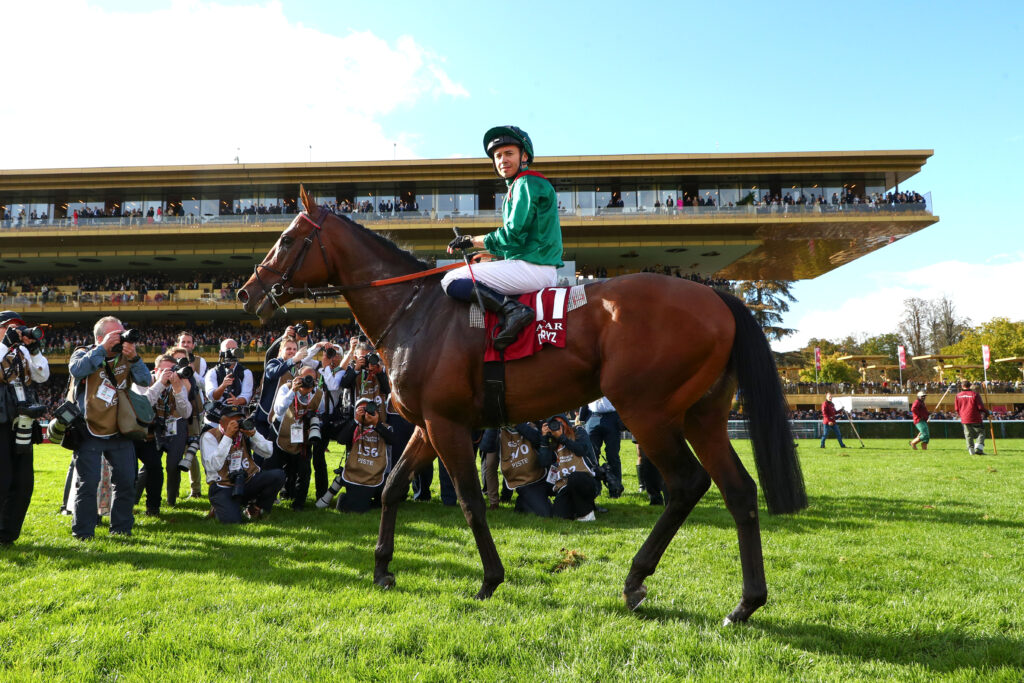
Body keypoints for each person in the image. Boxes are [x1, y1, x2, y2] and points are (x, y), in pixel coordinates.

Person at [442, 125, 563, 351]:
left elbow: (512, 235)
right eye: (498, 156)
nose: (502, 160)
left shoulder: (526, 182)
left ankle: (513, 310)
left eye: (509, 153)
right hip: (534, 266)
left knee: (449, 280)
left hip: (533, 269)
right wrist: (486, 253)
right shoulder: (521, 185)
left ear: (524, 156)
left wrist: (471, 240)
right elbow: (519, 241)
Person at [67, 316, 152, 540]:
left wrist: (135, 359)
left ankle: (121, 530)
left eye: (122, 333)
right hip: (89, 429)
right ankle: (83, 533)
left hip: (119, 429)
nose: (122, 338)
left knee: (126, 482)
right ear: (100, 337)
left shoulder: (127, 357)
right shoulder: (83, 352)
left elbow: (145, 381)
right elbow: (77, 370)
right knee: (88, 483)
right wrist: (101, 350)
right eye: (116, 335)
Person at [0, 311, 50, 546]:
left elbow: (42, 376)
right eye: (8, 327)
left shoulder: (23, 352)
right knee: (2, 478)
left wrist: (35, 350)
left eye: (18, 328)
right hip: (1, 421)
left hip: (22, 418)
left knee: (23, 482)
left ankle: (8, 534)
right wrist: (4, 345)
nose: (15, 332)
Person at [200, 404, 285, 523]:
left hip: (247, 481)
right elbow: (213, 466)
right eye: (232, 420)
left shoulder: (244, 432)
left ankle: (255, 509)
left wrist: (254, 434)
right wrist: (227, 437)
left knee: (278, 476)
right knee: (232, 521)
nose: (237, 423)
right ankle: (219, 507)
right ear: (222, 422)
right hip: (223, 485)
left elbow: (268, 452)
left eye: (239, 419)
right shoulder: (209, 436)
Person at [133, 353, 192, 513]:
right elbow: (143, 405)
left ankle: (156, 507)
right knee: (134, 471)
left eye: (172, 370)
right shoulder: (143, 382)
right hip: (137, 432)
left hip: (158, 433)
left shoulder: (177, 384)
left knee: (159, 469)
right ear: (156, 370)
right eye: (165, 370)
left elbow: (186, 413)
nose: (169, 374)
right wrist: (160, 384)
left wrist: (178, 390)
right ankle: (129, 502)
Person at [270, 366, 325, 509]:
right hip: (281, 435)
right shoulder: (286, 388)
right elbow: (278, 410)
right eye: (304, 378)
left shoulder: (319, 394)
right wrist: (292, 391)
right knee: (275, 467)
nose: (307, 381)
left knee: (304, 470)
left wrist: (314, 425)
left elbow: (321, 414)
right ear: (297, 377)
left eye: (311, 379)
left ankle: (299, 503)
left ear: (316, 381)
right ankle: (272, 498)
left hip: (303, 438)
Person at [332, 398, 396, 513]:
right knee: (357, 507)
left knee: (384, 501)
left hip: (378, 474)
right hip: (356, 473)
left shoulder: (385, 427)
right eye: (362, 409)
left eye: (369, 409)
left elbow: (393, 440)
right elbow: (341, 440)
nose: (366, 412)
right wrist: (355, 421)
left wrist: (376, 424)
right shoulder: (354, 427)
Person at [540, 415, 599, 521]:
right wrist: (544, 439)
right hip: (564, 485)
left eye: (560, 423)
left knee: (575, 477)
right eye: (553, 424)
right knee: (559, 515)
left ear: (566, 423)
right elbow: (544, 462)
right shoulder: (552, 442)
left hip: (585, 480)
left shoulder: (578, 432)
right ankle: (576, 508)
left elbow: (581, 450)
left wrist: (563, 438)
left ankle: (586, 514)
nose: (557, 426)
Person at [496, 422, 552, 518]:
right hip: (529, 482)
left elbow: (537, 439)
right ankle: (523, 502)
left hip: (549, 475)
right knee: (545, 513)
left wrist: (519, 424)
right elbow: (487, 447)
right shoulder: (500, 432)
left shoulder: (531, 424)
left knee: (560, 510)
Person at [583, 396, 625, 497]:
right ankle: (595, 489)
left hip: (612, 417)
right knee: (591, 457)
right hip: (592, 415)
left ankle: (615, 488)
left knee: (612, 455)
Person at [954, 381, 989, 455]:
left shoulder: (958, 395)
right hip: (975, 417)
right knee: (981, 432)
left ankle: (970, 448)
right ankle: (979, 449)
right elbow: (980, 407)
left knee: (968, 434)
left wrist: (961, 415)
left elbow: (956, 408)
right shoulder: (975, 394)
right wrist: (987, 413)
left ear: (962, 386)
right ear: (970, 386)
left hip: (964, 418)